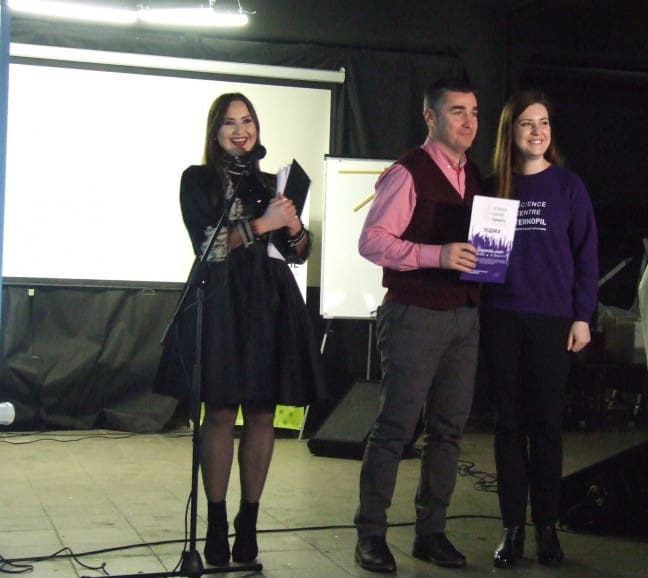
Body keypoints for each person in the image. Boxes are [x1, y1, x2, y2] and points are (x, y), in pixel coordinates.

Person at [158, 92, 325, 567]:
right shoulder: (197, 180)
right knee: (218, 411)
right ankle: (215, 521)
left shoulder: (270, 182)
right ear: (215, 133)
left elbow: (298, 253)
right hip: (220, 301)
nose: (240, 130)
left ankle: (248, 522)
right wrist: (263, 223)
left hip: (268, 304)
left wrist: (293, 226)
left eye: (247, 120)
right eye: (229, 123)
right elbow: (208, 248)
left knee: (262, 414)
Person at [353, 77, 482, 574]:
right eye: (457, 111)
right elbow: (372, 241)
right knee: (395, 429)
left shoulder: (476, 177)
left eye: (474, 112)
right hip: (413, 315)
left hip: (464, 316)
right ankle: (370, 535)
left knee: (448, 431)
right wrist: (437, 255)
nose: (469, 121)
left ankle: (431, 533)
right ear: (430, 117)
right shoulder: (408, 172)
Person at [480, 89, 599, 568]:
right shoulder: (493, 188)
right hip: (501, 318)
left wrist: (583, 316)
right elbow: (481, 260)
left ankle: (547, 527)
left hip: (552, 320)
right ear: (510, 131)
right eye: (527, 123)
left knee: (547, 425)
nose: (537, 131)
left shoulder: (569, 187)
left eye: (544, 122)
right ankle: (512, 529)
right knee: (507, 426)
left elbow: (587, 256)